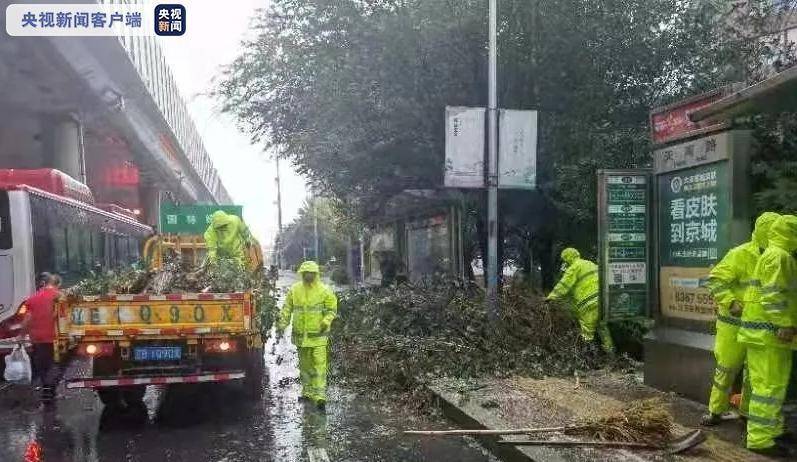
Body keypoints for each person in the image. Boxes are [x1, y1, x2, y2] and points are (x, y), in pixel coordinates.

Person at [702, 212, 780, 426]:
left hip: (759, 327)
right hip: (732, 326)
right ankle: (715, 411)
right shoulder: (740, 253)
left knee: (753, 374)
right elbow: (715, 279)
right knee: (727, 368)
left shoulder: (777, 257)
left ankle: (746, 413)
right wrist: (730, 302)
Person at [737, 214, 797, 457]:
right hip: (770, 334)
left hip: (762, 333)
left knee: (769, 386)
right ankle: (761, 440)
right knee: (768, 388)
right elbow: (773, 295)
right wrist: (784, 323)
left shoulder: (772, 254)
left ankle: (769, 432)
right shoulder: (779, 256)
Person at [276, 261, 338, 409]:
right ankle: (308, 393)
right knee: (304, 366)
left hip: (318, 337)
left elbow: (332, 309)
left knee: (319, 367)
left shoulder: (324, 290)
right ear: (302, 274)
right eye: (306, 273)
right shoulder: (295, 290)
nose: (308, 275)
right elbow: (287, 309)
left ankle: (320, 396)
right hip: (301, 338)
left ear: (316, 274)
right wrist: (281, 324)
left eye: (311, 273)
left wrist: (326, 321)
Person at [546, 248, 614, 354]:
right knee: (603, 328)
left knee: (587, 333)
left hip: (589, 303)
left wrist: (551, 297)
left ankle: (590, 358)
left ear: (567, 258)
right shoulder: (590, 263)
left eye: (564, 259)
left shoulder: (574, 267)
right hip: (602, 300)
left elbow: (564, 284)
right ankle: (611, 356)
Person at [22, 273, 62, 405]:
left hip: (37, 339)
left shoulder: (32, 299)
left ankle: (47, 388)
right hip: (56, 338)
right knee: (55, 364)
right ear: (57, 284)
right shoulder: (60, 296)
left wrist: (22, 335)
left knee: (42, 365)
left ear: (43, 284)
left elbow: (27, 320)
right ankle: (49, 389)